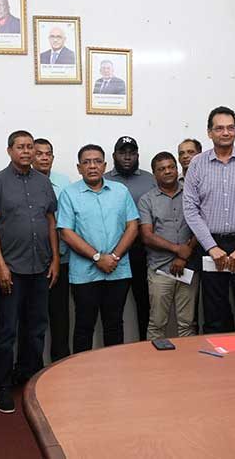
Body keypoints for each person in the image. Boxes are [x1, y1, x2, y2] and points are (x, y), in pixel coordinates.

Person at [0, 131, 59, 414]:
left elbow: (51, 221)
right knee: (7, 330)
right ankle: (3, 386)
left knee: (36, 329)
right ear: (9, 150)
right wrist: (0, 265)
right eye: (20, 147)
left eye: (30, 147)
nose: (26, 152)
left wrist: (54, 261)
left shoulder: (43, 182)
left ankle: (30, 380)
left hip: (40, 267)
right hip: (11, 269)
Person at [183, 107, 235, 333]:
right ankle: (219, 366)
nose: (225, 132)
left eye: (230, 127)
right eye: (219, 128)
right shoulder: (197, 164)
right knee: (215, 314)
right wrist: (211, 247)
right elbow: (190, 209)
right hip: (212, 247)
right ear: (209, 133)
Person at [57, 144, 139, 352]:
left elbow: (132, 226)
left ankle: (114, 376)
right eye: (86, 162)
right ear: (78, 167)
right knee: (84, 326)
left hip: (117, 270)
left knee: (114, 325)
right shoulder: (69, 194)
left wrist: (114, 256)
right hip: (84, 274)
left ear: (104, 165)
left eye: (96, 161)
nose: (92, 166)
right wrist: (97, 257)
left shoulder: (120, 191)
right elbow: (66, 232)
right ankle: (81, 378)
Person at [138, 152, 198, 339]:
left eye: (171, 167)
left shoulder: (191, 194)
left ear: (177, 168)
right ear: (154, 174)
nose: (168, 171)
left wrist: (183, 256)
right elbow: (147, 236)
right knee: (157, 324)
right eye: (162, 169)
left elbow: (201, 225)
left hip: (188, 268)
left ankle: (188, 366)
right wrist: (177, 249)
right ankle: (154, 368)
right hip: (160, 270)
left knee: (187, 324)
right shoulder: (146, 200)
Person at [105, 136, 155, 341]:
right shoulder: (104, 179)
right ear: (114, 155)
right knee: (113, 308)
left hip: (144, 251)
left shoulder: (150, 179)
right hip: (114, 252)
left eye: (132, 153)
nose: (127, 157)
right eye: (122, 152)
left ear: (138, 155)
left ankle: (145, 348)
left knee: (146, 304)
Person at [32, 138, 72, 361]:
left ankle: (60, 363)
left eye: (48, 154)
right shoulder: (23, 182)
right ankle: (32, 367)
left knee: (60, 317)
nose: (44, 157)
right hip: (32, 262)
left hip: (62, 260)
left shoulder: (64, 182)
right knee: (33, 319)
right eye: (40, 153)